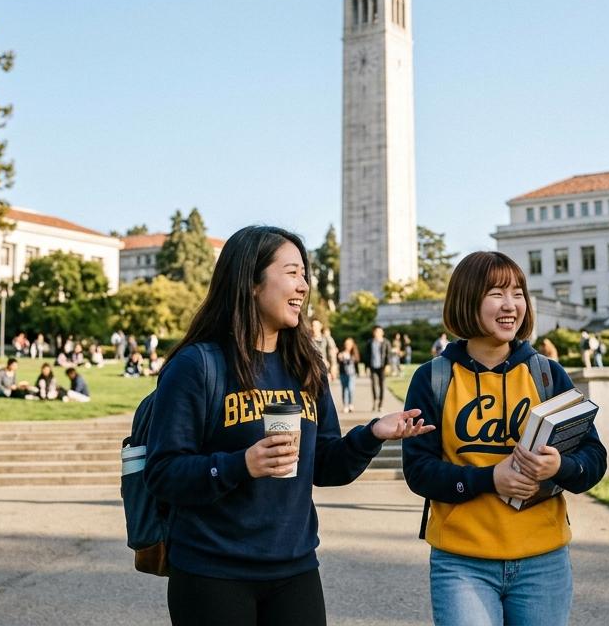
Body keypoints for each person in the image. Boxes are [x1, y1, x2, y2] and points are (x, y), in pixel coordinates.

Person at [142, 225, 434, 625]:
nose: (304, 286)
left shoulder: (306, 366)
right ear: (251, 283)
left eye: (304, 275)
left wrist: (371, 435)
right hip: (212, 572)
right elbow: (163, 473)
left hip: (295, 569)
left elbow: (326, 467)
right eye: (292, 272)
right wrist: (241, 464)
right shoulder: (197, 366)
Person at [402, 251, 608, 626]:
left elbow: (594, 457)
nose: (511, 305)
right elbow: (419, 471)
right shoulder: (432, 378)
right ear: (467, 300)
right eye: (496, 293)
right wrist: (489, 478)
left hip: (543, 562)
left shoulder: (547, 375)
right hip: (461, 563)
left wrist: (560, 467)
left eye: (518, 293)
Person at [368, 326, 390, 410]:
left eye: (379, 331)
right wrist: (367, 367)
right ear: (373, 333)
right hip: (373, 366)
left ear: (382, 333)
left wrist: (388, 365)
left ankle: (381, 404)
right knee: (374, 384)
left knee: (382, 385)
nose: (377, 333)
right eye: (376, 331)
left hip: (382, 367)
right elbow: (367, 355)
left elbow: (388, 354)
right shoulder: (370, 342)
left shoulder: (386, 342)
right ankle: (375, 401)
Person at [336, 337, 359, 413]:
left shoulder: (353, 353)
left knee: (351, 389)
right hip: (343, 373)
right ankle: (345, 405)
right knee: (344, 389)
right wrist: (339, 357)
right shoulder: (341, 352)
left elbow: (356, 360)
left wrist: (348, 357)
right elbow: (338, 360)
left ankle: (350, 404)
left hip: (352, 374)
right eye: (346, 344)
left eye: (349, 344)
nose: (347, 345)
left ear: (352, 345)